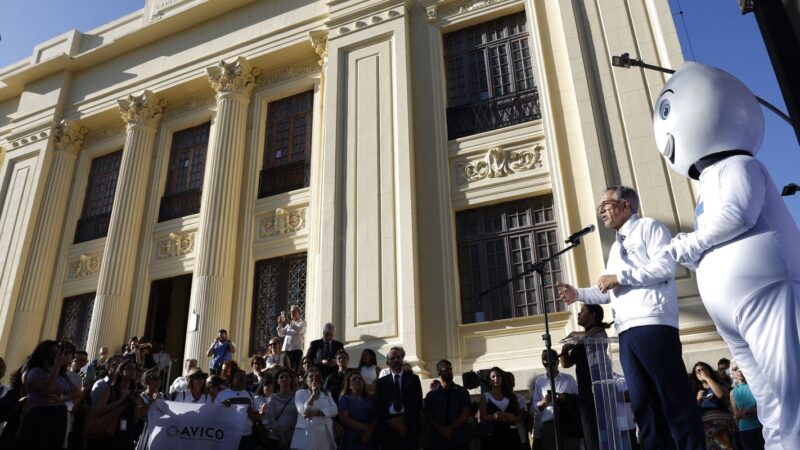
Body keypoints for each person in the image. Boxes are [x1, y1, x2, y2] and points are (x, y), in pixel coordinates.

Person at [557, 185, 705, 450]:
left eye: (606, 205)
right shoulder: (616, 248)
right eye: (600, 207)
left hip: (653, 324)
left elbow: (664, 267)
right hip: (626, 332)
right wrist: (578, 292)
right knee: (643, 405)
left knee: (673, 399)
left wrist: (620, 277)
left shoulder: (650, 228)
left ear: (626, 205)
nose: (601, 210)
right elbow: (607, 289)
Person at [560, 304, 613, 450]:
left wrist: (573, 335)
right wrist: (564, 348)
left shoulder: (599, 331)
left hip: (598, 387)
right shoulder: (580, 339)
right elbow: (566, 364)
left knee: (601, 428)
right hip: (584, 389)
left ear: (593, 315)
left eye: (582, 311)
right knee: (589, 430)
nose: (578, 314)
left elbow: (592, 336)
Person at [17, 340, 81, 449]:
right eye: (54, 352)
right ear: (44, 354)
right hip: (40, 416)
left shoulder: (62, 376)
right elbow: (48, 389)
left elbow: (77, 392)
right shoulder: (36, 372)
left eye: (58, 352)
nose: (57, 355)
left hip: (58, 417)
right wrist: (56, 366)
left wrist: (61, 398)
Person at [373, 346, 423, 450]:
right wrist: (394, 424)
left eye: (398, 357)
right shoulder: (381, 382)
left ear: (402, 359)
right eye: (392, 358)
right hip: (388, 427)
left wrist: (402, 420)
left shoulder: (413, 379)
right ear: (387, 363)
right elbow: (378, 405)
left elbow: (417, 403)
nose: (396, 360)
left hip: (408, 426)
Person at [89, 359, 144, 450]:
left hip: (126, 436)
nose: (133, 371)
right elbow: (99, 410)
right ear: (121, 371)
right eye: (129, 368)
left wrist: (135, 404)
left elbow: (135, 420)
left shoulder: (133, 394)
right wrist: (121, 400)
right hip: (109, 434)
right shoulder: (111, 390)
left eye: (135, 369)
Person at [530, 352, 579, 450]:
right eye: (545, 364)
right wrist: (543, 402)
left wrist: (564, 398)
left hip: (568, 424)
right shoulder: (540, 381)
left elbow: (578, 400)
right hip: (549, 424)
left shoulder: (569, 379)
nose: (549, 367)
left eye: (551, 363)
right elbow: (534, 405)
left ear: (557, 362)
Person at [424, 359, 471, 450]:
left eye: (450, 369)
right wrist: (442, 429)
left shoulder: (462, 392)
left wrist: (451, 428)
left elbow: (466, 412)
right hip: (439, 440)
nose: (449, 372)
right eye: (446, 369)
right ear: (439, 372)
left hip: (459, 437)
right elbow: (429, 416)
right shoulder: (431, 395)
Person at [291, 367, 338, 450]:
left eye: (317, 376)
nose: (314, 378)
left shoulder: (327, 394)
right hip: (307, 433)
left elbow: (335, 410)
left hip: (325, 433)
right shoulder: (300, 393)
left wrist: (318, 412)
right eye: (311, 376)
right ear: (305, 380)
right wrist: (313, 395)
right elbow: (304, 411)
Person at [691, 362, 735, 449]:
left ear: (709, 371)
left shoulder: (719, 383)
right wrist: (697, 399)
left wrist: (707, 378)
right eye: (698, 371)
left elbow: (720, 394)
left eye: (703, 369)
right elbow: (693, 411)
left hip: (723, 424)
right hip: (707, 428)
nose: (701, 372)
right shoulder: (695, 390)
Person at [216, 369, 259, 450]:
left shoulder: (251, 395)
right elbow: (214, 414)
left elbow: (257, 417)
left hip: (246, 436)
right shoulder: (222, 395)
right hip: (228, 435)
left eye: (244, 376)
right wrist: (223, 407)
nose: (242, 377)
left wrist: (252, 415)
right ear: (232, 379)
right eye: (239, 375)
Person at [730, 361, 764, 450]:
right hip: (745, 430)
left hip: (761, 426)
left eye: (741, 367)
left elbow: (766, 406)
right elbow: (735, 415)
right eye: (735, 369)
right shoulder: (733, 393)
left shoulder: (756, 386)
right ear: (732, 373)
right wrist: (740, 414)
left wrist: (753, 410)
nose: (739, 371)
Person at [339, 370, 377, 450]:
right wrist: (366, 428)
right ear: (349, 385)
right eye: (354, 379)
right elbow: (344, 419)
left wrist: (370, 432)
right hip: (351, 440)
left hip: (370, 439)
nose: (358, 380)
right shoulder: (345, 398)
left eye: (360, 379)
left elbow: (377, 416)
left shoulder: (370, 398)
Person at [265, 367, 297, 450]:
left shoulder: (297, 396)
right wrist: (282, 436)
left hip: (292, 437)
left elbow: (298, 417)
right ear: (277, 381)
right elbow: (270, 417)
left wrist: (285, 435)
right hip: (274, 438)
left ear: (290, 380)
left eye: (287, 376)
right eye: (281, 377)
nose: (284, 379)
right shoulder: (272, 397)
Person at [277, 304, 306, 372]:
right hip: (286, 350)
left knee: (294, 370)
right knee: (285, 370)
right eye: (291, 312)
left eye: (293, 311)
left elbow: (299, 329)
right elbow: (281, 334)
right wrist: (280, 324)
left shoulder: (302, 322)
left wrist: (288, 321)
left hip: (296, 350)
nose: (291, 313)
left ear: (299, 313)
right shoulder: (289, 324)